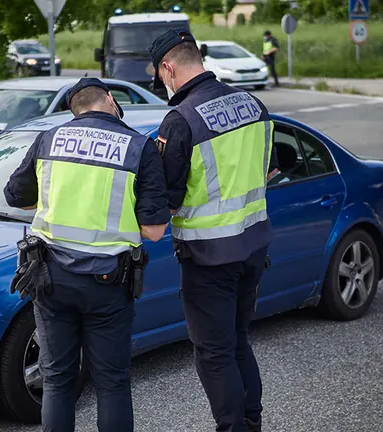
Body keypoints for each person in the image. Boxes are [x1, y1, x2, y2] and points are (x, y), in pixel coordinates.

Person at [4, 77, 170, 432]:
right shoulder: (139, 147)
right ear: (110, 100)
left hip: (50, 280)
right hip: (108, 282)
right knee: (111, 381)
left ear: (73, 109)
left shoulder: (50, 139)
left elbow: (15, 196)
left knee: (58, 379)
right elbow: (155, 231)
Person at [149, 29, 280, 432]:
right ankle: (251, 422)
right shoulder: (254, 105)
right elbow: (269, 169)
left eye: (160, 76)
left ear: (169, 68)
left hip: (208, 258)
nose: (162, 85)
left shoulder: (181, 119)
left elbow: (168, 201)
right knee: (238, 340)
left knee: (214, 353)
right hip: (254, 247)